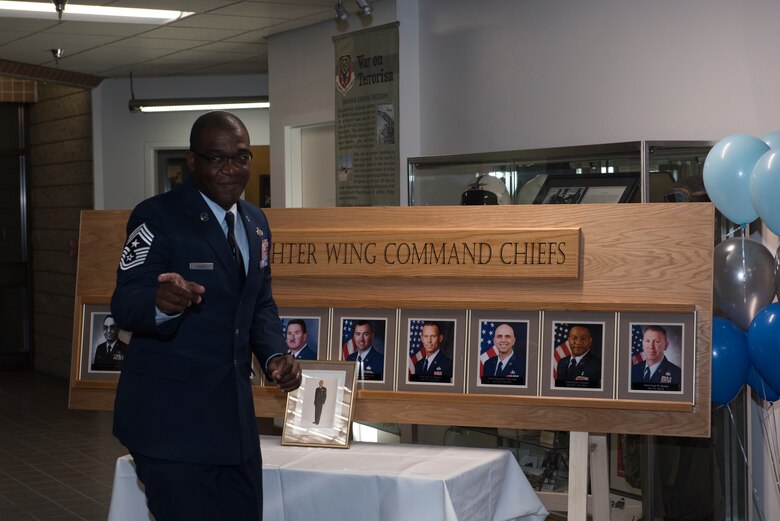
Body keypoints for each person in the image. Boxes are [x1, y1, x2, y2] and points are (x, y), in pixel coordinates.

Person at [111, 111, 301, 521]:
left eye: (242, 157)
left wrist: (273, 356)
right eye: (217, 158)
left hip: (235, 426)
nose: (231, 169)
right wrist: (160, 304)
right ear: (192, 161)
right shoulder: (157, 217)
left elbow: (259, 302)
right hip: (171, 425)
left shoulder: (256, 222)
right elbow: (125, 301)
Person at [631, 325, 682, 391]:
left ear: (665, 346)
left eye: (657, 341)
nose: (651, 346)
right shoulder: (634, 370)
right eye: (647, 341)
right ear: (642, 344)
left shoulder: (677, 374)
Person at [555, 324, 601, 388]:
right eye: (574, 338)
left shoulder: (598, 365)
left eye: (583, 338)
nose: (578, 342)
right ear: (568, 340)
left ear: (590, 341)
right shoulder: (562, 363)